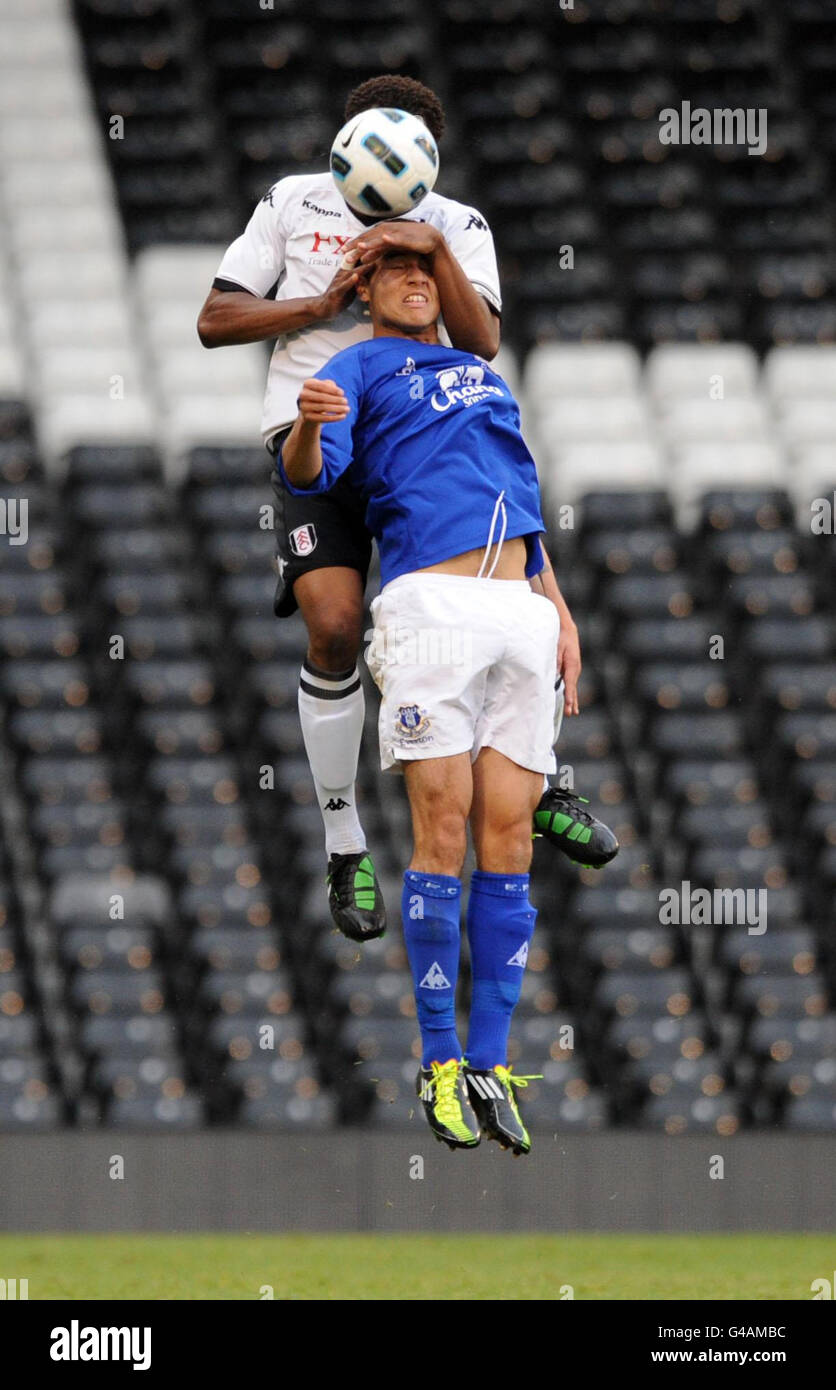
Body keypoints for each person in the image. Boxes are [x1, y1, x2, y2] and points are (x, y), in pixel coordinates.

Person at [198, 74, 616, 947]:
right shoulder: (290, 203)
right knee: (335, 625)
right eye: (374, 140)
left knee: (487, 593)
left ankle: (541, 779)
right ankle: (343, 834)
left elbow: (485, 341)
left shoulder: (457, 226)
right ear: (347, 141)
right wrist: (320, 306)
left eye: (411, 148)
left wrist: (424, 242)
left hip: (421, 428)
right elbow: (214, 318)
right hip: (313, 420)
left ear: (430, 160)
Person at [281, 247, 570, 1155]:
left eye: (424, 268)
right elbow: (310, 478)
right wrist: (305, 425)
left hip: (517, 608)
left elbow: (521, 498)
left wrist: (558, 611)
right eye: (395, 269)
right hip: (430, 608)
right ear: (364, 289)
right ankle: (439, 1060)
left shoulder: (486, 375)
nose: (415, 278)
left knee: (511, 838)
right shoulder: (356, 365)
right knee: (442, 830)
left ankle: (489, 1062)